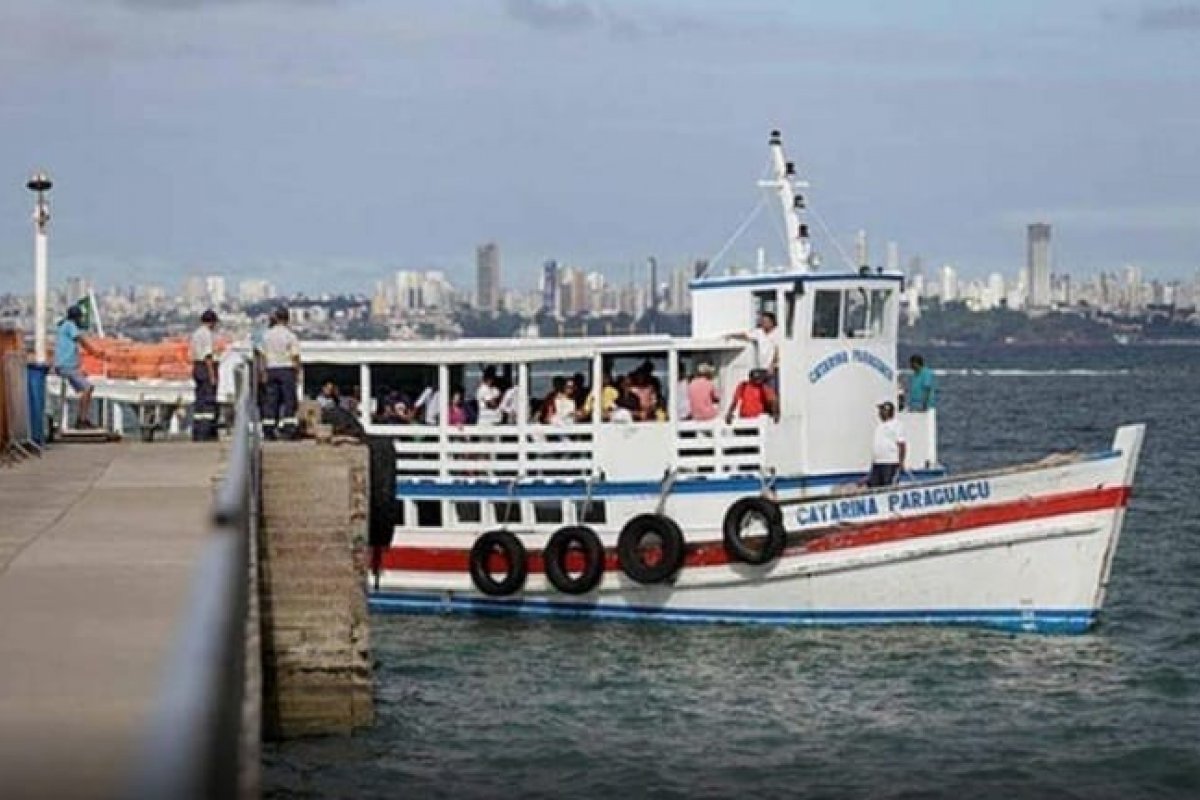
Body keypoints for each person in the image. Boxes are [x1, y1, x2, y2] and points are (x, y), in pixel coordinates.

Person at [53, 305, 101, 429]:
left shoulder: (63, 326)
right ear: (77, 317)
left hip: (64, 365)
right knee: (87, 389)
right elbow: (82, 340)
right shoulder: (70, 325)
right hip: (67, 366)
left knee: (83, 390)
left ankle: (81, 418)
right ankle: (82, 420)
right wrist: (95, 352)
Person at [262, 306, 302, 440]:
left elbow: (263, 355)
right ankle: (288, 429)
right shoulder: (290, 335)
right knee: (289, 400)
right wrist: (298, 371)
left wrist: (263, 371)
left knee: (271, 400)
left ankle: (268, 429)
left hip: (271, 368)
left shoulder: (267, 335)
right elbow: (295, 356)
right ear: (287, 319)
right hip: (286, 368)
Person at [189, 308, 220, 441]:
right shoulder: (207, 334)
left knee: (199, 400)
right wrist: (212, 375)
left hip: (196, 366)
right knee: (208, 400)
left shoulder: (196, 333)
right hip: (206, 367)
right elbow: (208, 356)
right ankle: (206, 432)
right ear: (212, 322)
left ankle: (197, 431)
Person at [727, 312, 781, 387]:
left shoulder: (778, 333)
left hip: (774, 368)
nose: (763, 323)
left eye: (766, 322)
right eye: (762, 321)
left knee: (773, 390)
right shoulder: (759, 332)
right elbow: (745, 335)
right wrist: (731, 335)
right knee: (765, 390)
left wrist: (772, 365)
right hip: (762, 367)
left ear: (772, 322)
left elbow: (778, 350)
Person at [864, 400, 906, 487]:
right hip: (878, 462)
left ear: (887, 411)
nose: (879, 413)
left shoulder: (896, 425)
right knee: (874, 486)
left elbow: (901, 444)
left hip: (890, 462)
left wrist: (901, 462)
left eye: (881, 410)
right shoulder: (880, 426)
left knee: (888, 485)